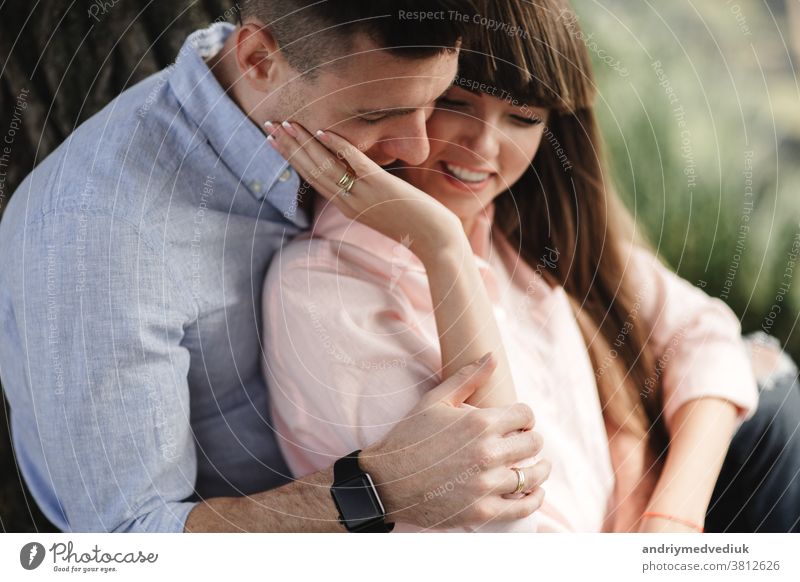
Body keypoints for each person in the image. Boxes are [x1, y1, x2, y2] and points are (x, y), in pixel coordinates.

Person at [0, 1, 549, 532]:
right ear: (259, 59)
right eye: (376, 114)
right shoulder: (99, 237)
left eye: (437, 99)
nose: (419, 150)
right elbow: (127, 542)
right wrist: (381, 487)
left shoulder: (315, 104)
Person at [262, 0, 800, 532]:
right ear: (410, 94)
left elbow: (704, 331)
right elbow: (504, 532)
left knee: (777, 403)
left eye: (522, 118)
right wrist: (442, 250)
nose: (484, 147)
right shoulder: (322, 290)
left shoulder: (513, 232)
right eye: (456, 104)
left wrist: (669, 518)